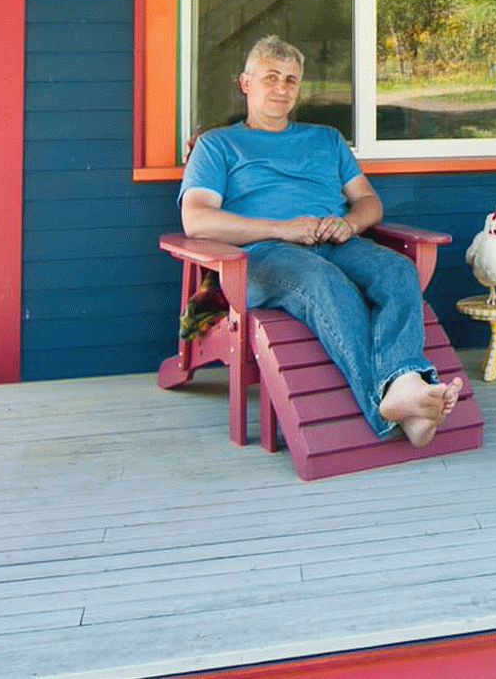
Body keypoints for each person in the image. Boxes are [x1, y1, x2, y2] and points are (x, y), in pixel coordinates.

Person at [180, 35, 464, 446]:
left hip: (335, 242)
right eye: (270, 78)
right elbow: (197, 219)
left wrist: (349, 224)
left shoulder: (327, 139)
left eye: (291, 80)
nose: (281, 88)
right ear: (246, 83)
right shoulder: (217, 145)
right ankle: (388, 402)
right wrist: (282, 229)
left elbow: (369, 201)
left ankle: (406, 390)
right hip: (264, 255)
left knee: (397, 269)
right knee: (322, 280)